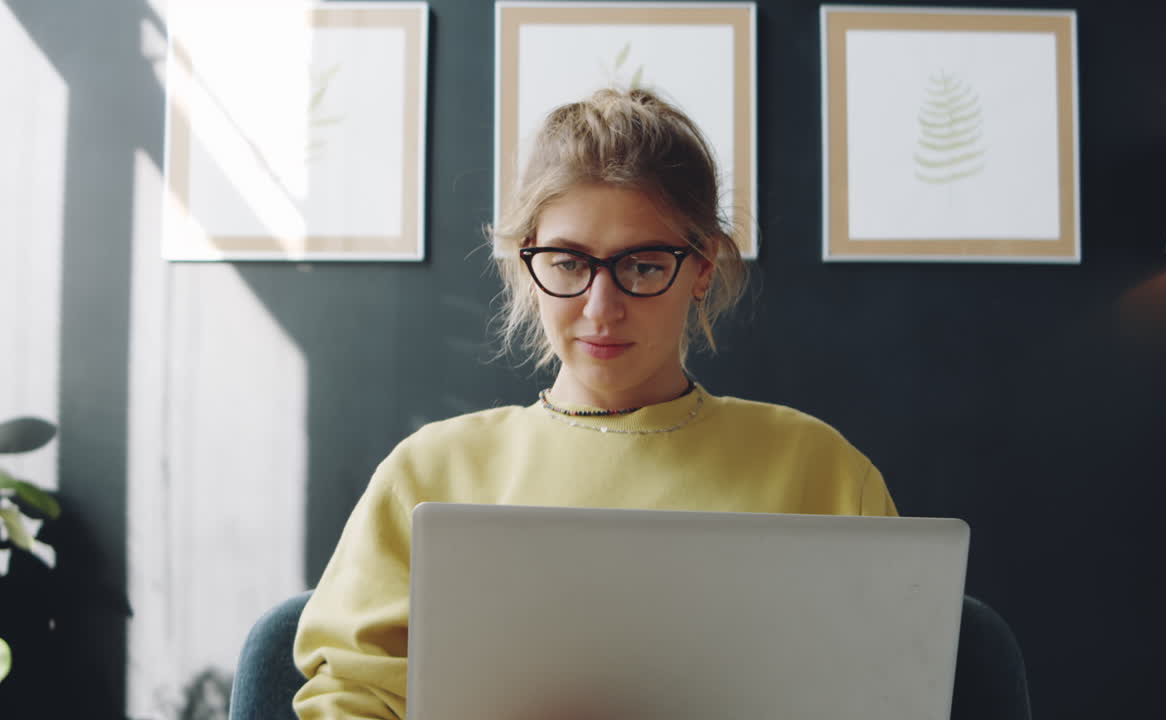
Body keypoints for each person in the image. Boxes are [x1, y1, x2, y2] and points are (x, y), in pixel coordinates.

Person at [291, 88, 897, 720]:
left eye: (643, 266)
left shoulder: (819, 469)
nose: (602, 309)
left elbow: (892, 685)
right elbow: (350, 699)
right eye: (568, 262)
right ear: (529, 260)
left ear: (703, 267)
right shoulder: (428, 475)